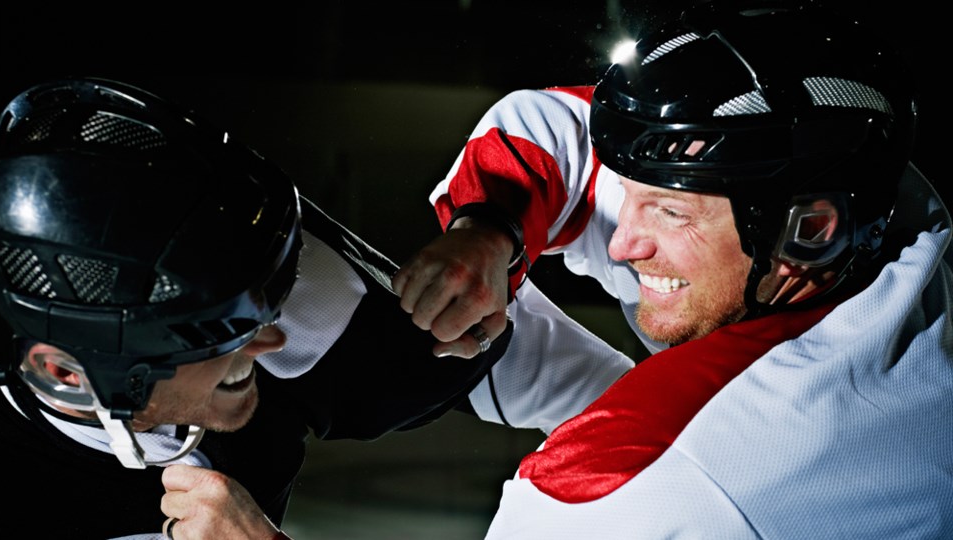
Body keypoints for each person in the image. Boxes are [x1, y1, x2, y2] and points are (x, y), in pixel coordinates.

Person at [391, 1, 953, 537]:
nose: (623, 244)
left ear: (813, 230)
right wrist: (487, 232)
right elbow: (556, 130)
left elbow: (670, 463)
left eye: (669, 212)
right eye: (632, 194)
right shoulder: (881, 206)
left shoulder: (640, 485)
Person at [0, 77, 518, 539]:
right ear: (67, 373)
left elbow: (549, 370)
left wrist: (491, 234)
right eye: (217, 329)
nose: (273, 339)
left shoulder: (298, 298)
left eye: (270, 289)